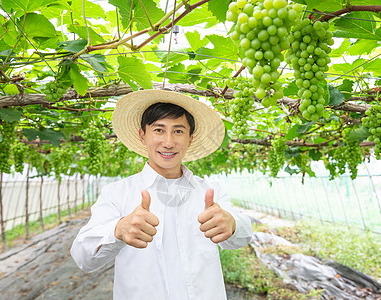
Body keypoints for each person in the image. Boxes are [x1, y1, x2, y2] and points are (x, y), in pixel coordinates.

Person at [70, 90, 253, 300]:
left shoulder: (209, 192)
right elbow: (83, 258)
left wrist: (232, 224)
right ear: (142, 135)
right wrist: (117, 230)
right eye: (159, 129)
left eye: (178, 131)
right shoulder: (118, 193)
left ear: (190, 138)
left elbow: (244, 235)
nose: (168, 142)